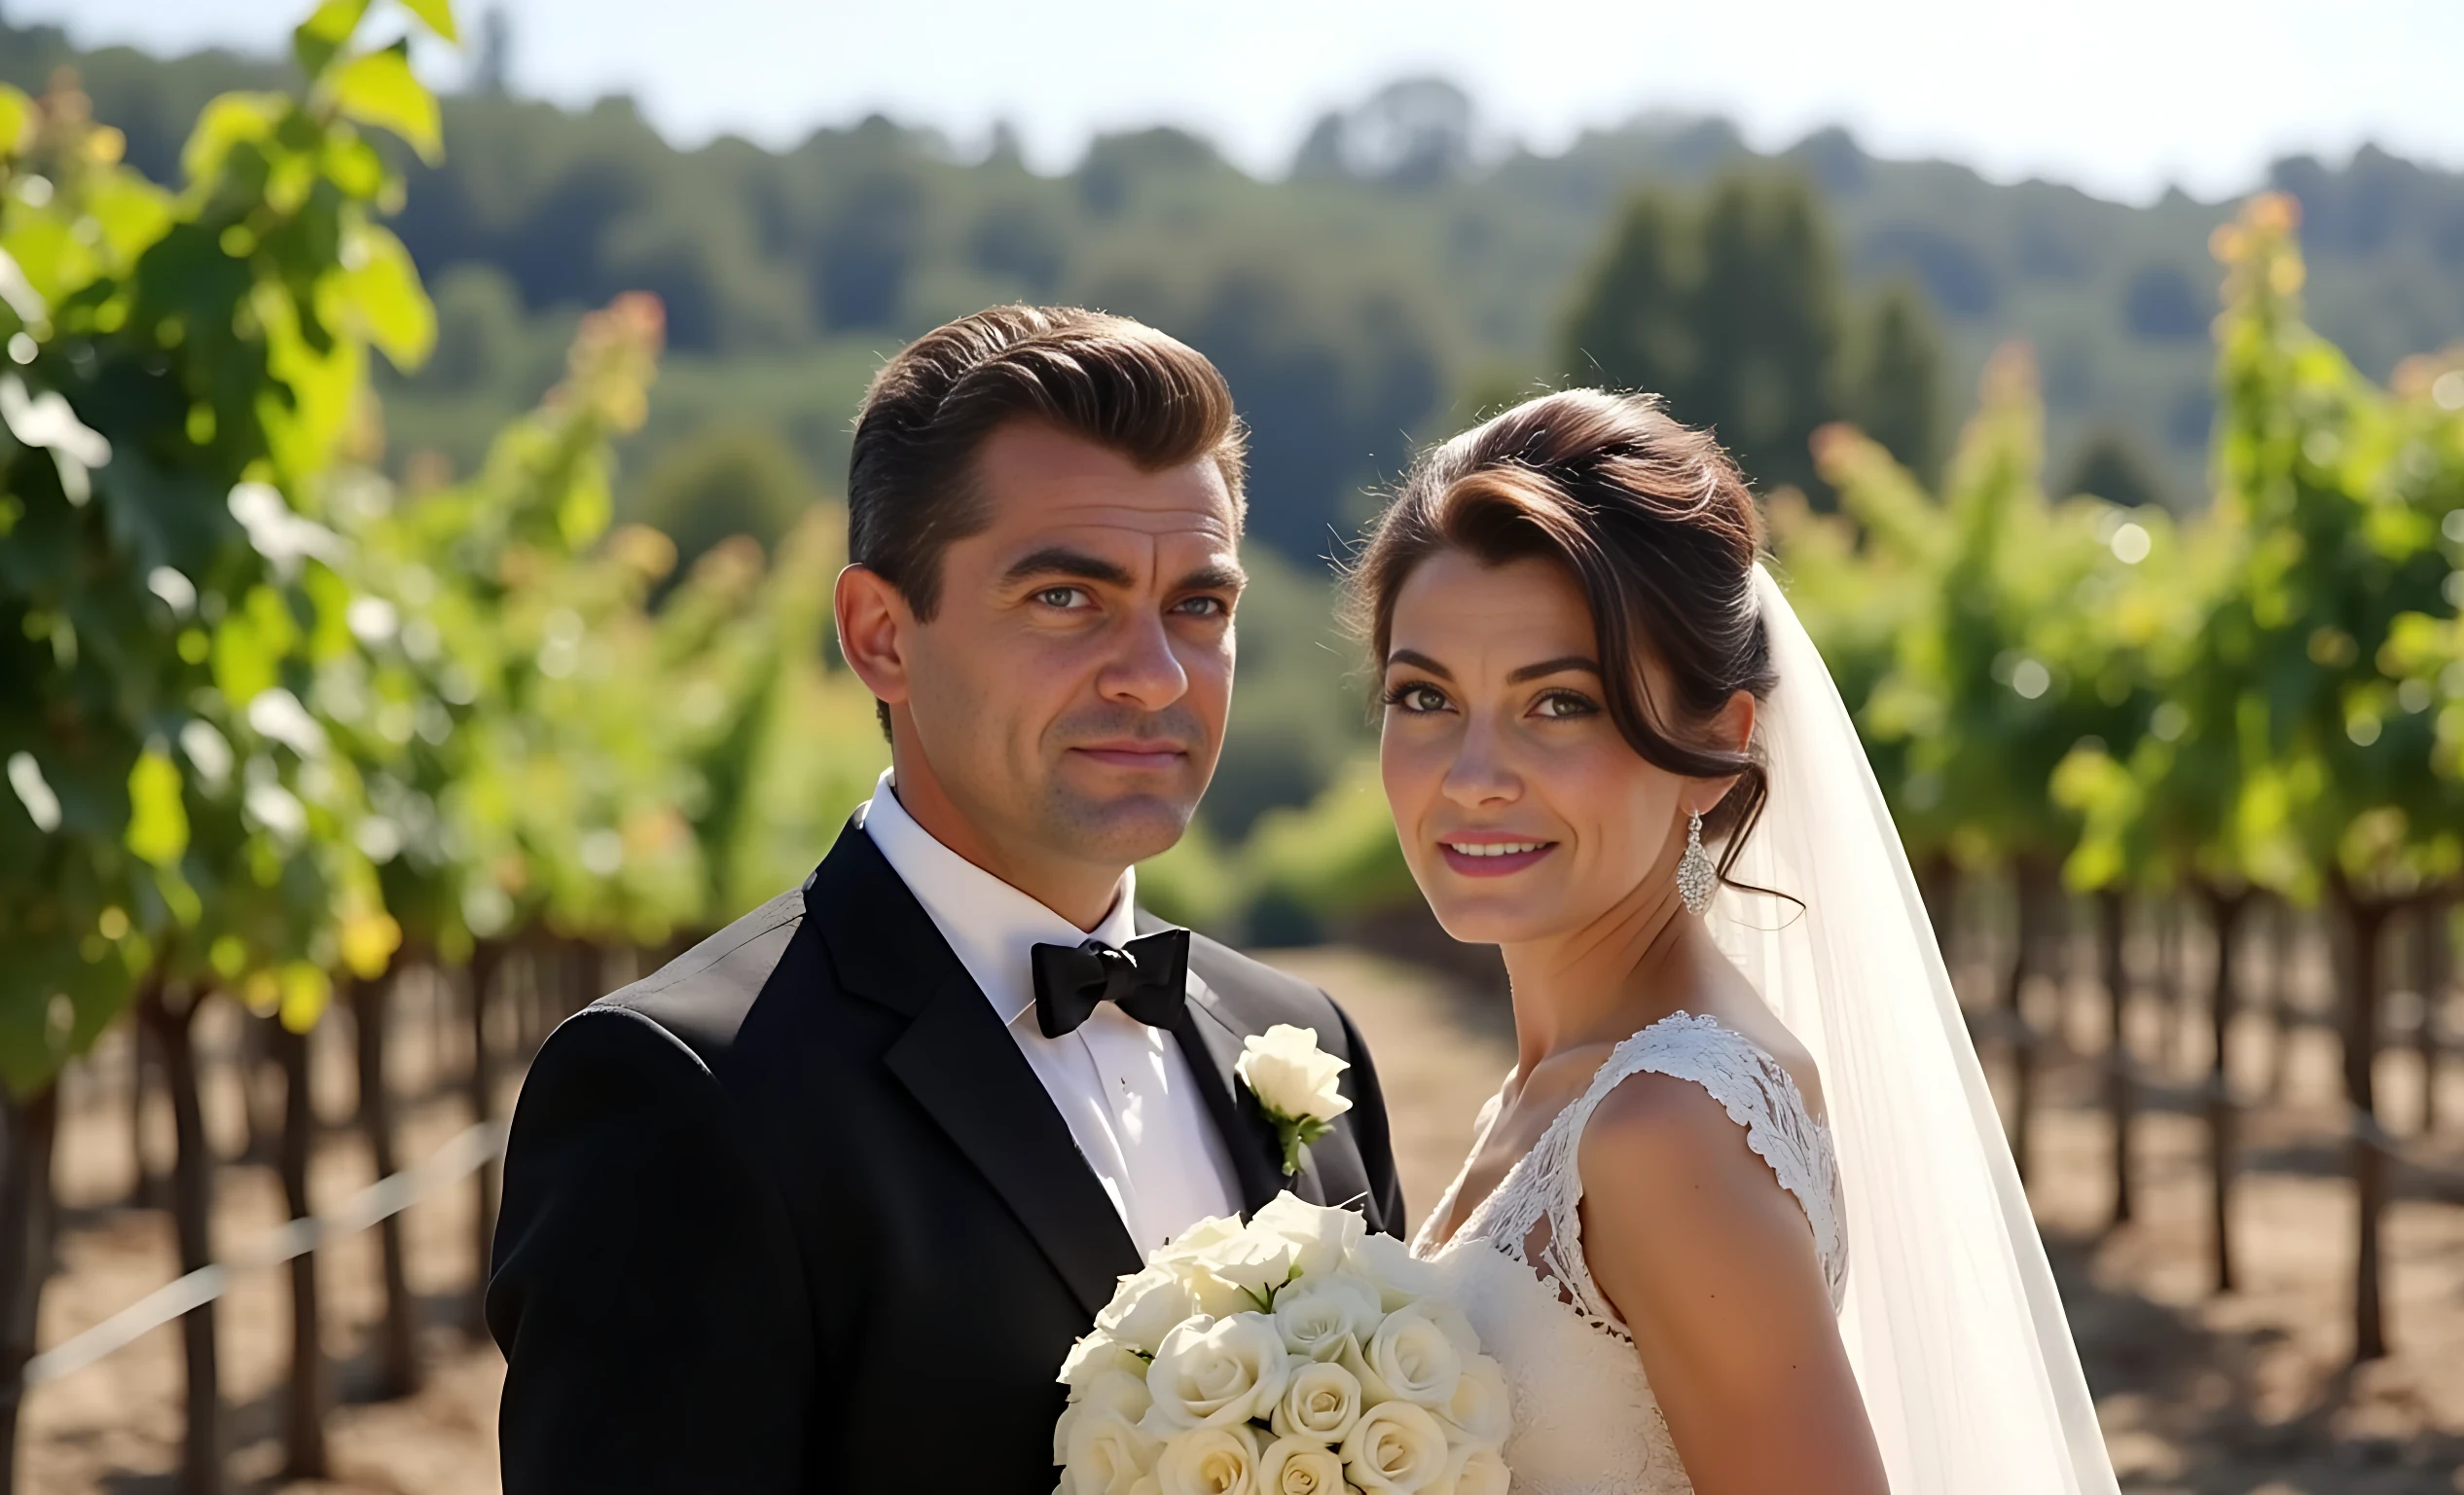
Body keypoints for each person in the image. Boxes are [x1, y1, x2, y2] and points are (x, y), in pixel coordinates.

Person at [485, 306, 1404, 1493]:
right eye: (1067, 599)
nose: (1157, 674)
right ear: (880, 635)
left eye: (1200, 605)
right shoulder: (682, 1093)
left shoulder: (1310, 1044)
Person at [1359, 389, 2119, 1494]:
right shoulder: (1568, 1094)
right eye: (1424, 697)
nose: (1472, 778)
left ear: (1715, 749)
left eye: (1560, 704)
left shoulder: (1667, 1128)